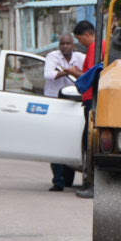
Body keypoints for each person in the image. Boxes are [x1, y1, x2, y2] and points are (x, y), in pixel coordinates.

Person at [43, 32, 85, 191]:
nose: (65, 46)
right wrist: (69, 71)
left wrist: (67, 71)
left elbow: (86, 74)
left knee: (72, 139)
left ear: (73, 45)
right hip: (54, 102)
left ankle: (68, 178)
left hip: (74, 102)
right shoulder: (52, 56)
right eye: (62, 44)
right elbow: (48, 74)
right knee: (55, 141)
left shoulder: (80, 57)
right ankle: (58, 181)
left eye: (68, 43)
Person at [73, 20, 99, 200]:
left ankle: (90, 183)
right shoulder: (105, 44)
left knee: (88, 142)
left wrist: (72, 72)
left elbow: (88, 76)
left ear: (86, 35)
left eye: (80, 39)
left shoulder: (95, 47)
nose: (81, 43)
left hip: (91, 99)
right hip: (96, 99)